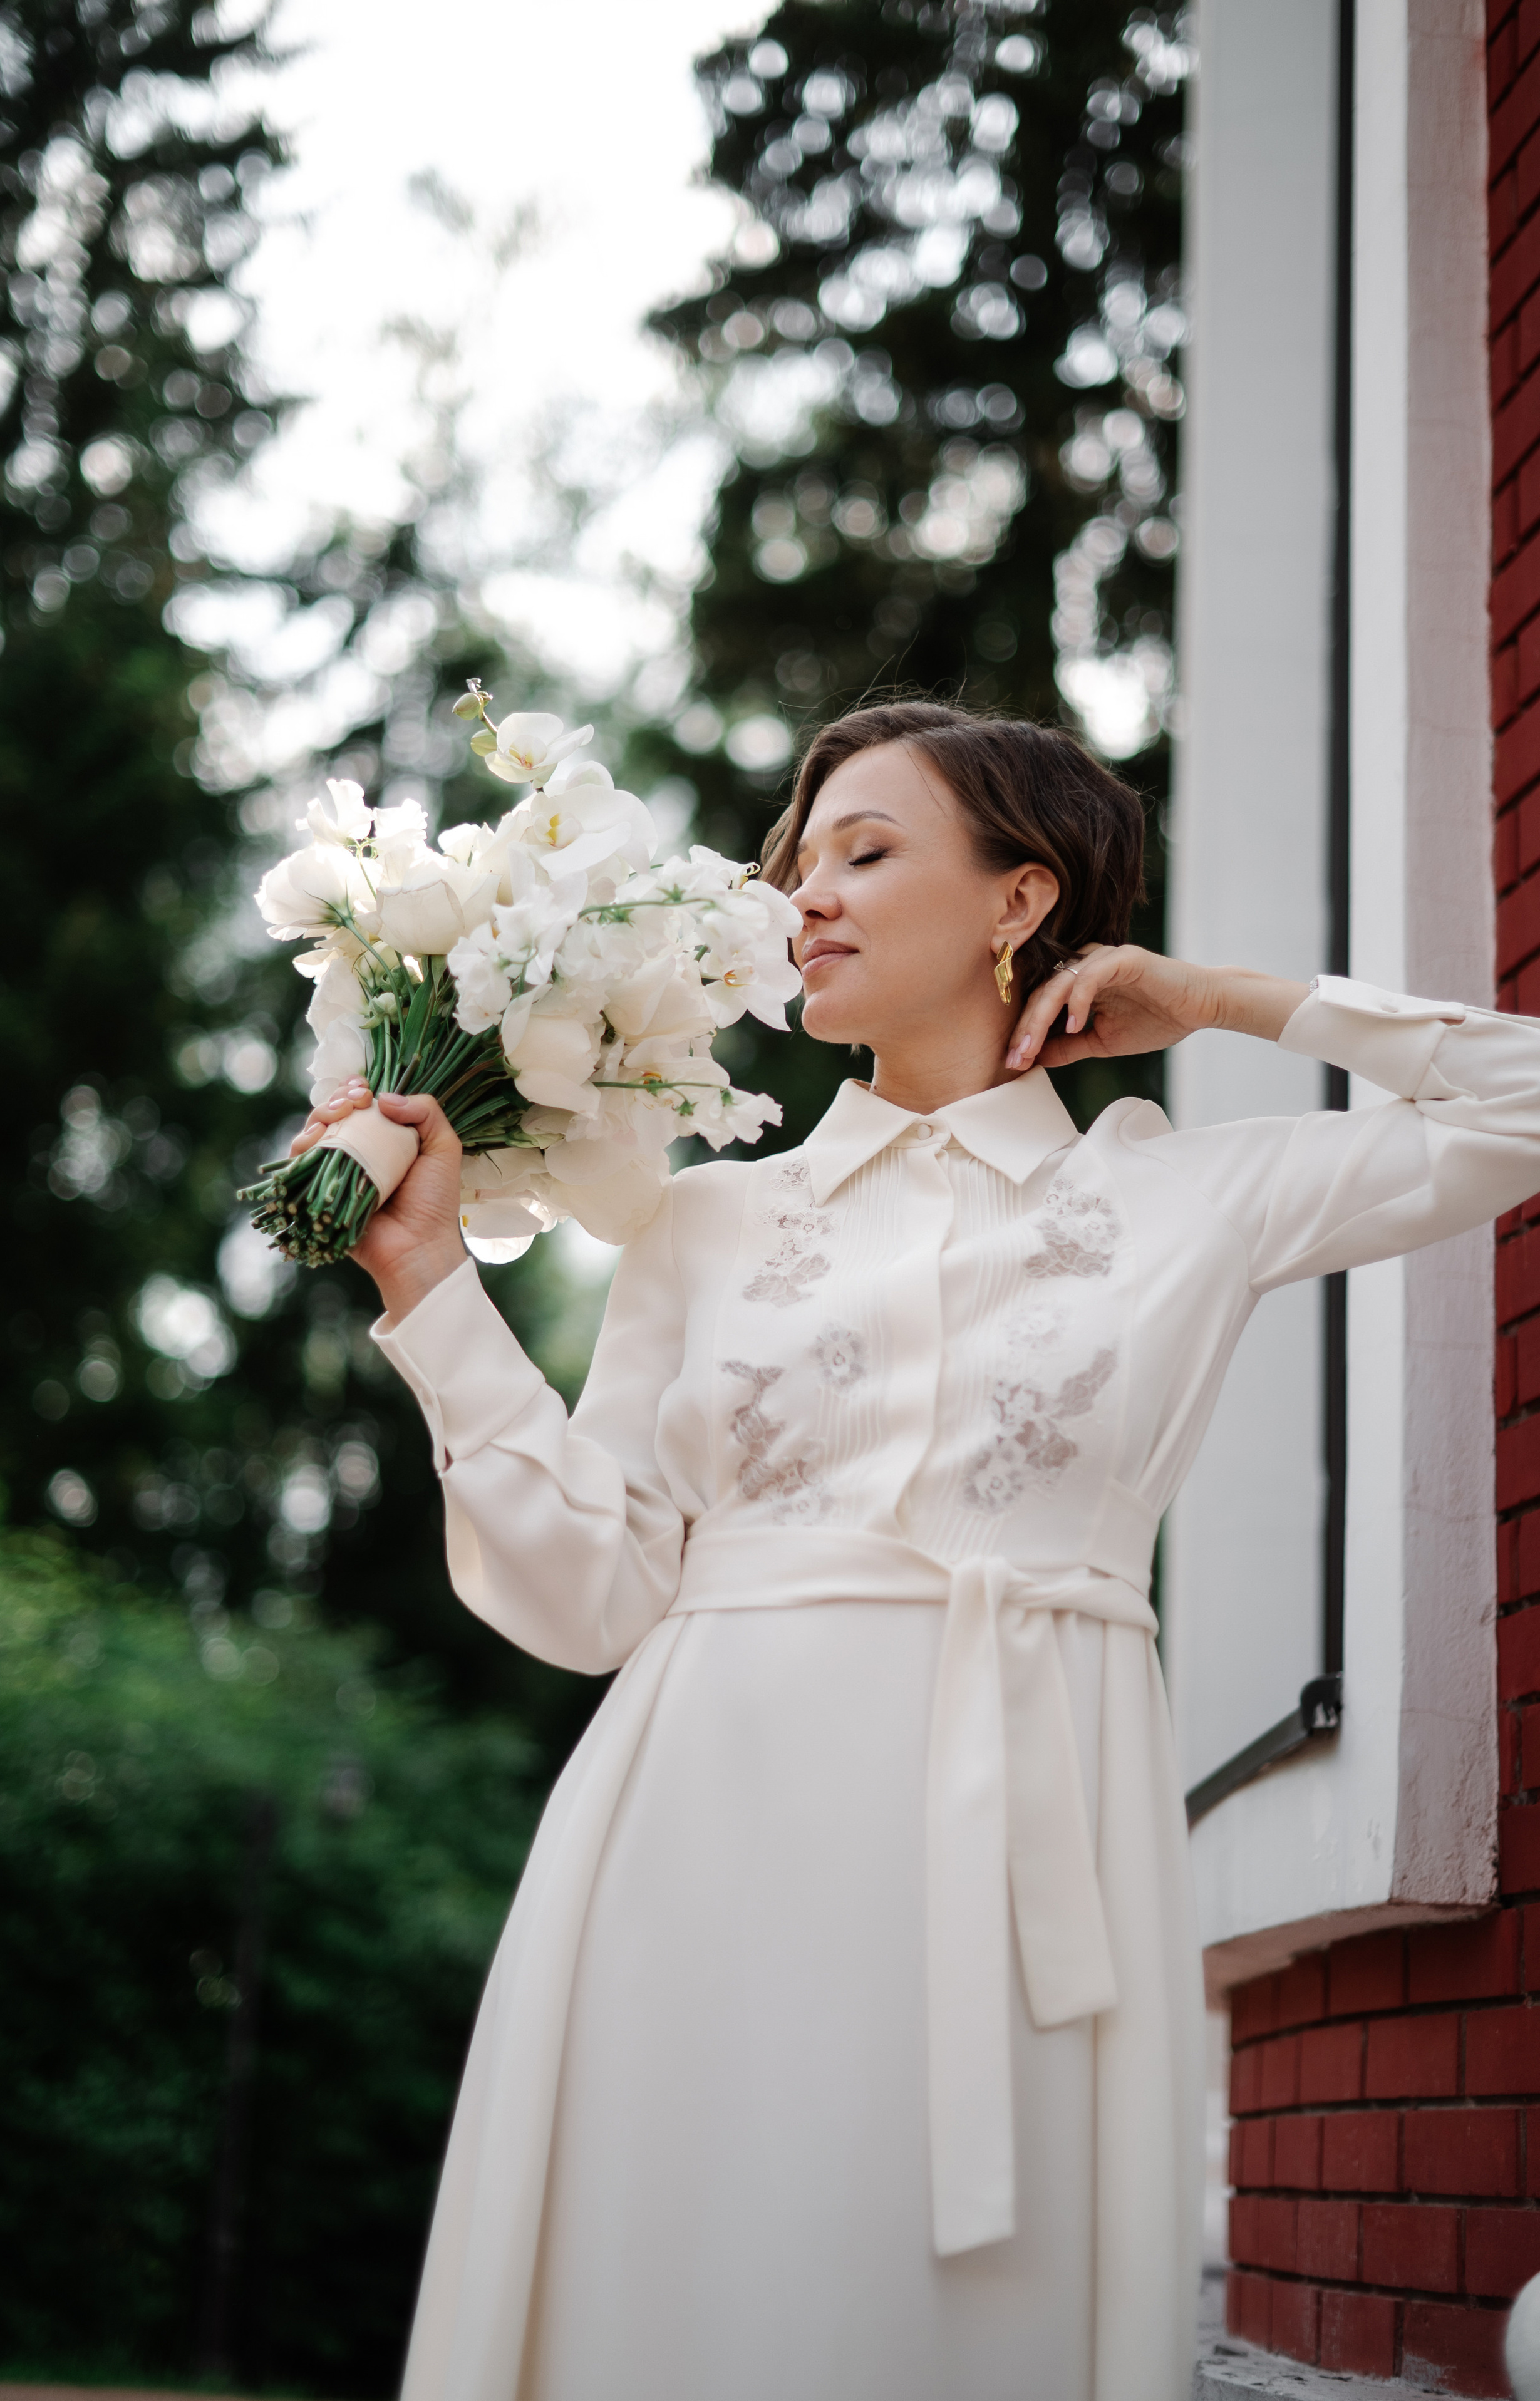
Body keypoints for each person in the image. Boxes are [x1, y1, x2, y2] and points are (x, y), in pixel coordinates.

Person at [292, 701, 1540, 2401]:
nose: (808, 896)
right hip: (695, 1828)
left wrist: (1219, 998)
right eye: (799, 866)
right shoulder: (701, 1220)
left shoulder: (1192, 1195)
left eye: (867, 853)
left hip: (1029, 1839)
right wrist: (432, 1290)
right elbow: (591, 1594)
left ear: (1023, 902)